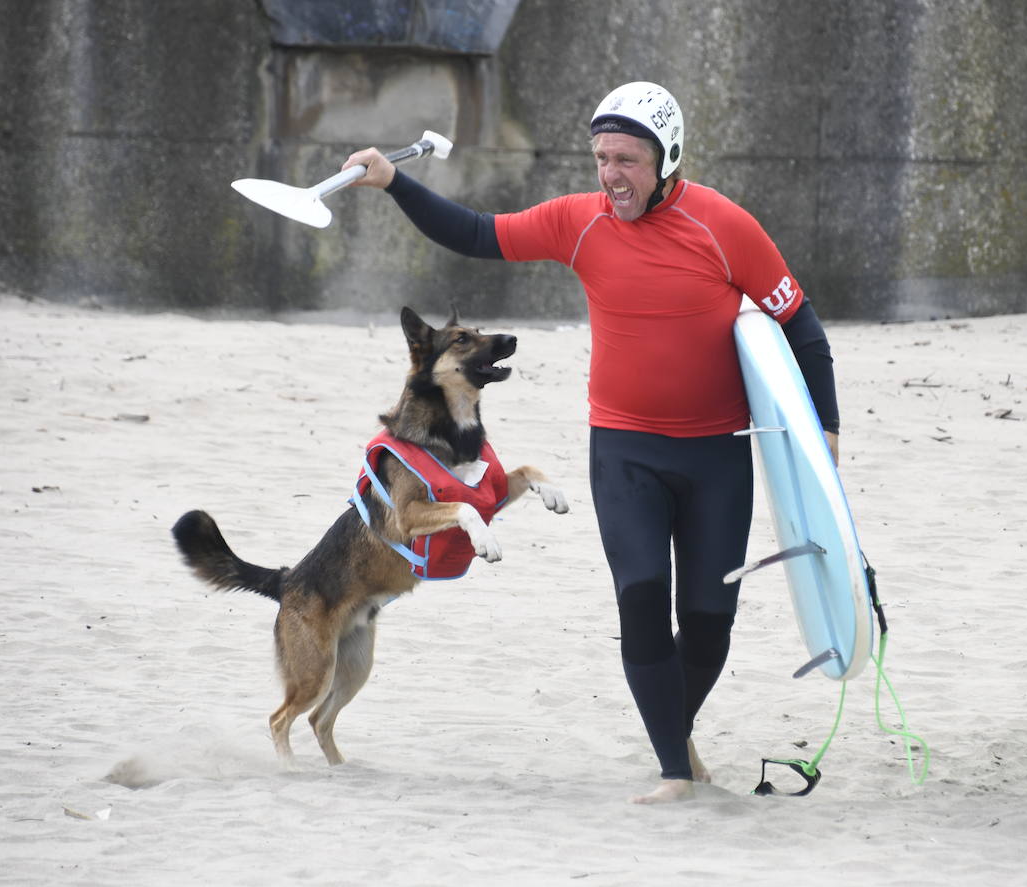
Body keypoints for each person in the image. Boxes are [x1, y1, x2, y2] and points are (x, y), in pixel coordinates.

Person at [342, 81, 840, 804]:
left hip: (718, 456)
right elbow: (477, 233)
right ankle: (676, 770)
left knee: (707, 625)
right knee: (641, 599)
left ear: (666, 159)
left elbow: (802, 328)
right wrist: (394, 183)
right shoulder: (581, 223)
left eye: (628, 159)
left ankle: (675, 734)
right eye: (602, 157)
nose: (612, 174)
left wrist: (825, 432)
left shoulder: (724, 227)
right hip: (626, 452)